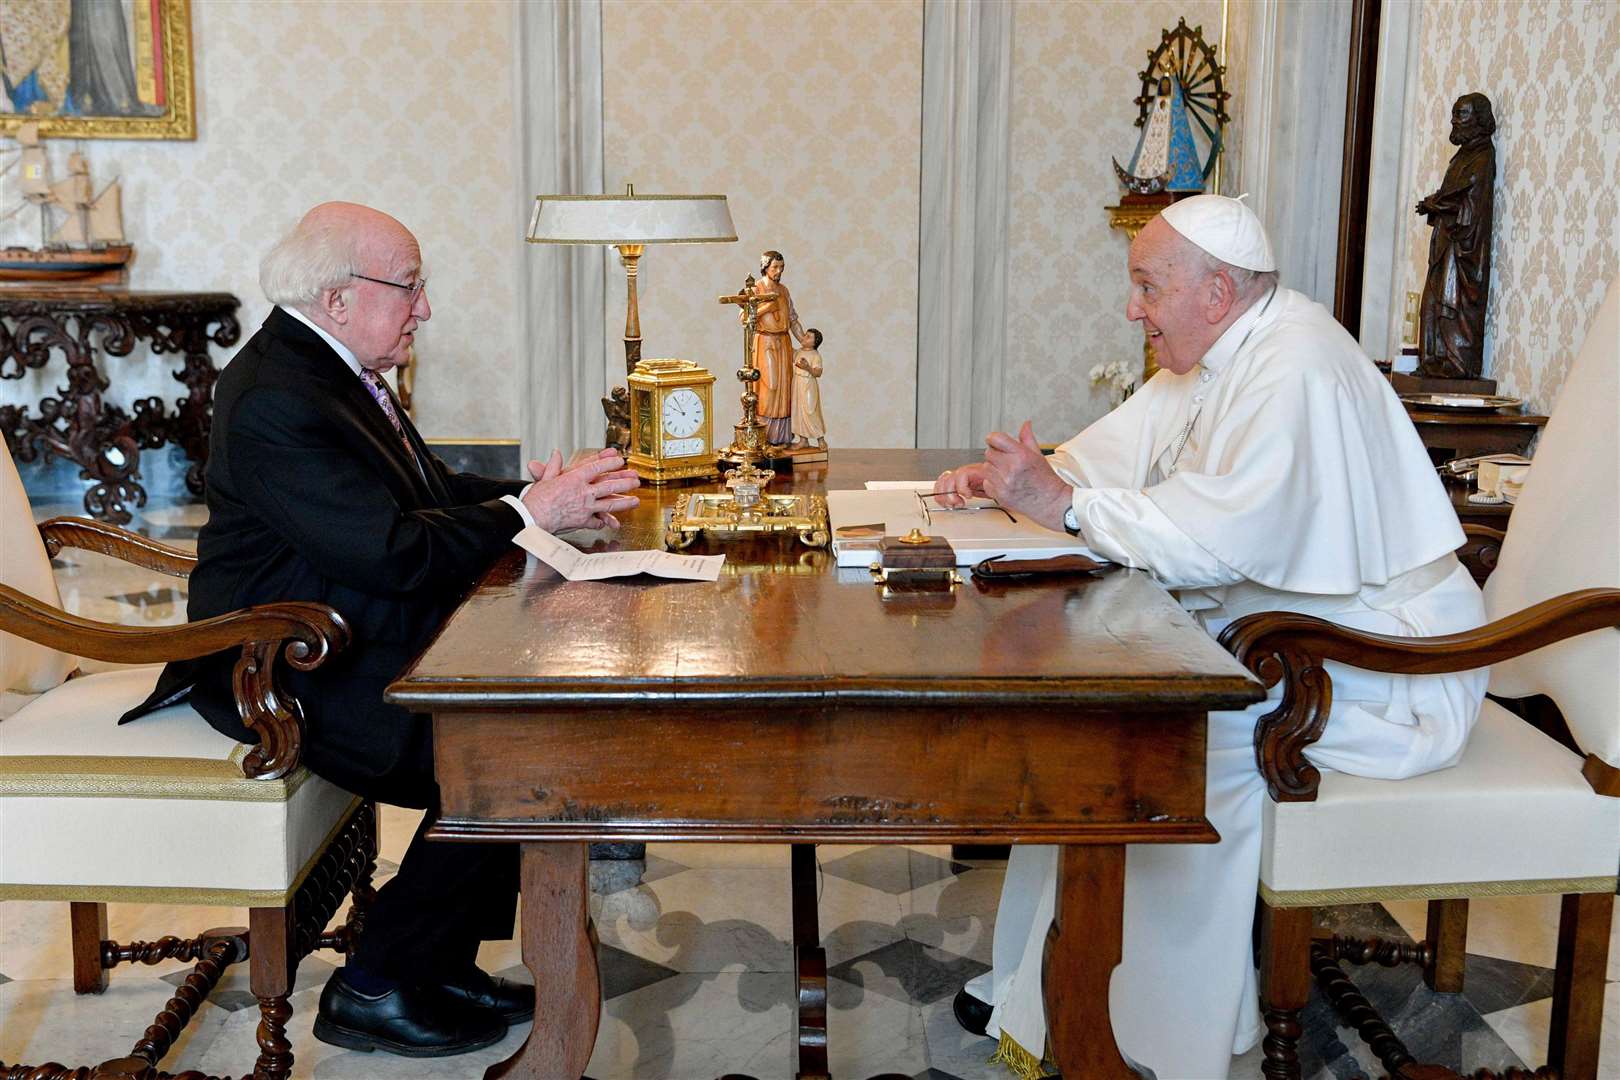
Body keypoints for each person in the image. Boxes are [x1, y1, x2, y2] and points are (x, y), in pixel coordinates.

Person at [935, 194, 1487, 1080]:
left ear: (1217, 292)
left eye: (1146, 287)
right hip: (1296, 639)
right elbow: (1108, 457)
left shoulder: (1296, 363)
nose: (1132, 310)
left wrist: (1062, 504)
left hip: (1386, 663)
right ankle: (1032, 989)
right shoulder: (1219, 349)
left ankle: (1139, 1032)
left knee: (1165, 737)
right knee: (1083, 723)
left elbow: (1211, 542)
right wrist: (1019, 482)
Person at [121, 202, 641, 1058]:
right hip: (278, 663)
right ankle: (376, 983)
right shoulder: (277, 398)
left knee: (523, 706)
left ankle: (435, 962)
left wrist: (533, 490)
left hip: (334, 625)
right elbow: (393, 550)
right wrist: (527, 512)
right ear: (337, 298)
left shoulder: (324, 365)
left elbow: (421, 485)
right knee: (507, 750)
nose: (424, 308)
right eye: (410, 287)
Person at [1416, 93, 1496, 380]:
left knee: (1454, 304)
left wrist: (1435, 204)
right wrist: (1436, 204)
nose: (1454, 120)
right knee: (1434, 303)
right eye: (1454, 113)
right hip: (1445, 244)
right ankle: (1435, 358)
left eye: (1461, 114)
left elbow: (1469, 203)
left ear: (1479, 119)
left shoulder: (1482, 156)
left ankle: (1456, 362)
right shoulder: (1463, 155)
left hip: (1463, 248)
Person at [748, 249, 807, 446]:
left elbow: (793, 319)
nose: (779, 271)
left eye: (782, 267)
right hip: (765, 342)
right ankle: (764, 435)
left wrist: (805, 342)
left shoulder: (784, 290)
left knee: (785, 387)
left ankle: (781, 437)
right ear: (765, 268)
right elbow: (745, 319)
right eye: (775, 267)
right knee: (770, 386)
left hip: (784, 342)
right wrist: (767, 307)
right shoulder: (756, 289)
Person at [789, 327, 826, 450]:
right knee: (798, 411)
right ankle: (803, 440)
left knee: (811, 411)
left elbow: (818, 373)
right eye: (805, 335)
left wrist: (807, 367)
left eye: (808, 337)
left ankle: (820, 439)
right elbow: (789, 352)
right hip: (797, 383)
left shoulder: (815, 355)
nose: (804, 337)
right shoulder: (799, 352)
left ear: (815, 343)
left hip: (808, 384)